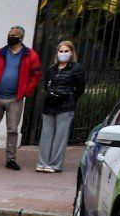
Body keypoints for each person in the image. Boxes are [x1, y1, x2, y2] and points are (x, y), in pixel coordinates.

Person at [0, 25, 41, 170]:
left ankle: (11, 160)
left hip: (15, 99)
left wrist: (26, 91)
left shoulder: (30, 55)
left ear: (21, 38)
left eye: (13, 35)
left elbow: (36, 75)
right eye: (9, 34)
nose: (10, 37)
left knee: (12, 130)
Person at [36, 41, 86, 173]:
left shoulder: (76, 68)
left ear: (71, 53)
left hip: (66, 106)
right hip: (49, 105)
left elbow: (80, 88)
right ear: (57, 53)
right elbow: (47, 86)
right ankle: (42, 163)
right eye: (60, 51)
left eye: (66, 51)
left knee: (60, 136)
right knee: (46, 135)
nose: (63, 54)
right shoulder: (51, 69)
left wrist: (70, 98)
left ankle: (55, 164)